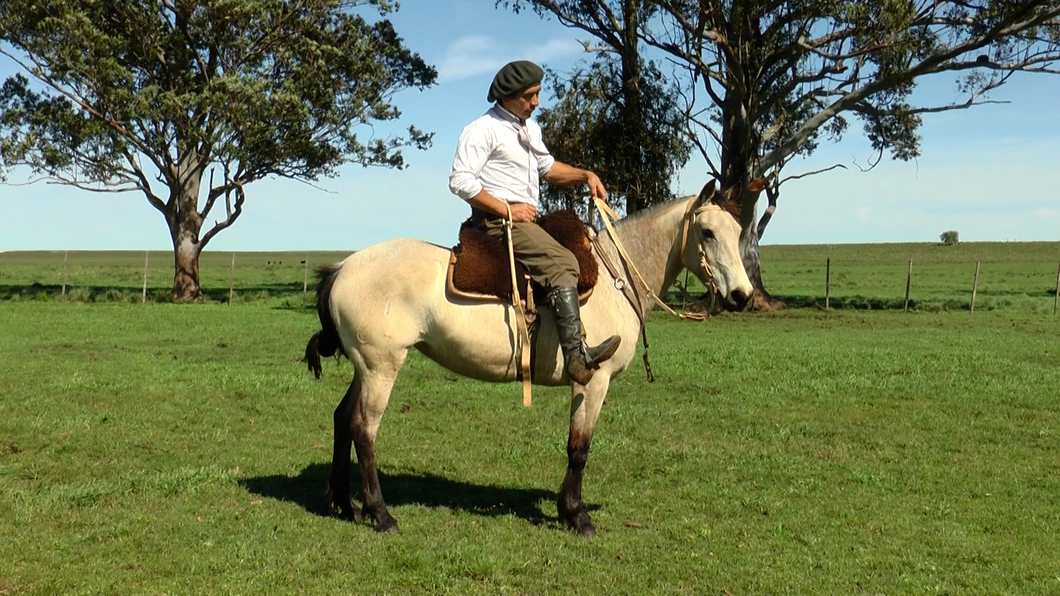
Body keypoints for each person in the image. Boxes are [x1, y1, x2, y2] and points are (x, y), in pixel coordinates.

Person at [449, 59, 620, 385]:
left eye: (537, 93)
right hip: (499, 225)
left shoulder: (528, 128)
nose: (536, 102)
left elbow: (547, 167)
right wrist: (507, 210)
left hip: (525, 221)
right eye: (530, 96)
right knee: (563, 263)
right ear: (508, 96)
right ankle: (577, 359)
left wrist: (586, 175)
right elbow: (461, 181)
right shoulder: (482, 130)